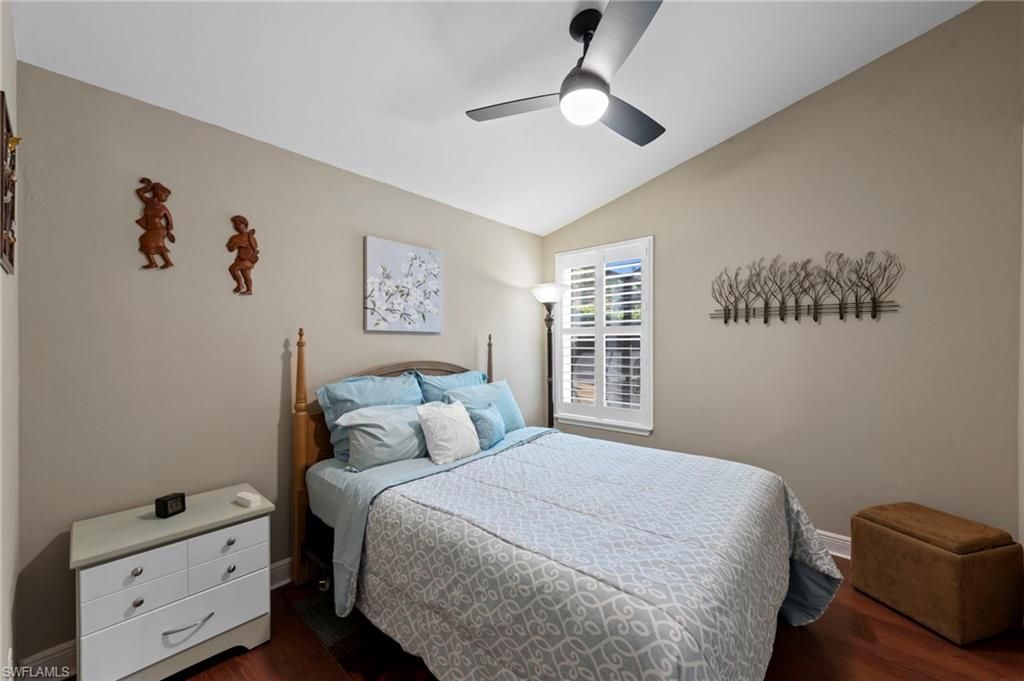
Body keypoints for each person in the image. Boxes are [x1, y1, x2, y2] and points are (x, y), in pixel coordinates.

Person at [135, 177, 175, 269]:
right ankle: (161, 262)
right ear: (158, 193)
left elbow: (170, 221)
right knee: (151, 242)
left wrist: (169, 231)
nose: (165, 198)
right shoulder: (148, 202)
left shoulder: (163, 208)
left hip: (159, 230)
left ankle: (157, 262)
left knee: (146, 240)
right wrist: (148, 186)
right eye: (165, 195)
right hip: (152, 228)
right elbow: (139, 192)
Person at [226, 215, 259, 295]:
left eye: (238, 224)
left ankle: (240, 285)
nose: (236, 226)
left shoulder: (250, 237)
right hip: (240, 259)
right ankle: (249, 290)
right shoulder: (235, 237)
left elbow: (255, 248)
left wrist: (252, 253)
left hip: (248, 260)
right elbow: (230, 248)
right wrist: (238, 244)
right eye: (234, 224)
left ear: (244, 224)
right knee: (246, 276)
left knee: (233, 268)